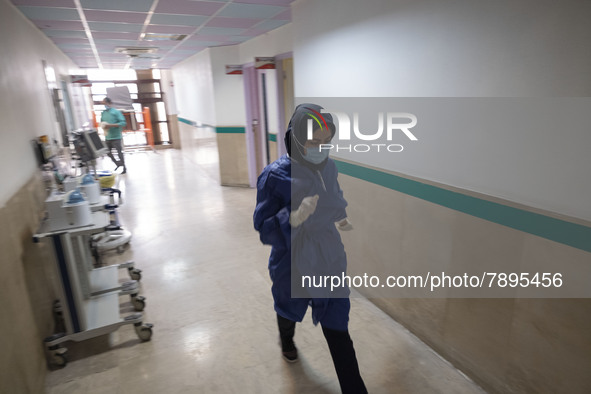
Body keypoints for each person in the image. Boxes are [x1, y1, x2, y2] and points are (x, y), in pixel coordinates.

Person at [254, 104, 367, 394]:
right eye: (313, 142)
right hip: (291, 257)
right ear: (296, 140)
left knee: (337, 323)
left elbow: (335, 196)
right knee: (288, 307)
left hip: (327, 255)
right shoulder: (274, 176)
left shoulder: (328, 167)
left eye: (325, 142)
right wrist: (292, 218)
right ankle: (287, 338)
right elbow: (263, 226)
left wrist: (341, 217)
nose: (319, 148)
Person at [100, 97, 127, 174]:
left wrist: (111, 125)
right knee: (108, 152)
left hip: (116, 137)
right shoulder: (103, 113)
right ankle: (117, 163)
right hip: (108, 136)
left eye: (106, 103)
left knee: (119, 152)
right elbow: (102, 122)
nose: (105, 105)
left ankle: (124, 167)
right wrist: (103, 126)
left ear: (109, 103)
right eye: (103, 104)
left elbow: (123, 123)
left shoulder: (116, 112)